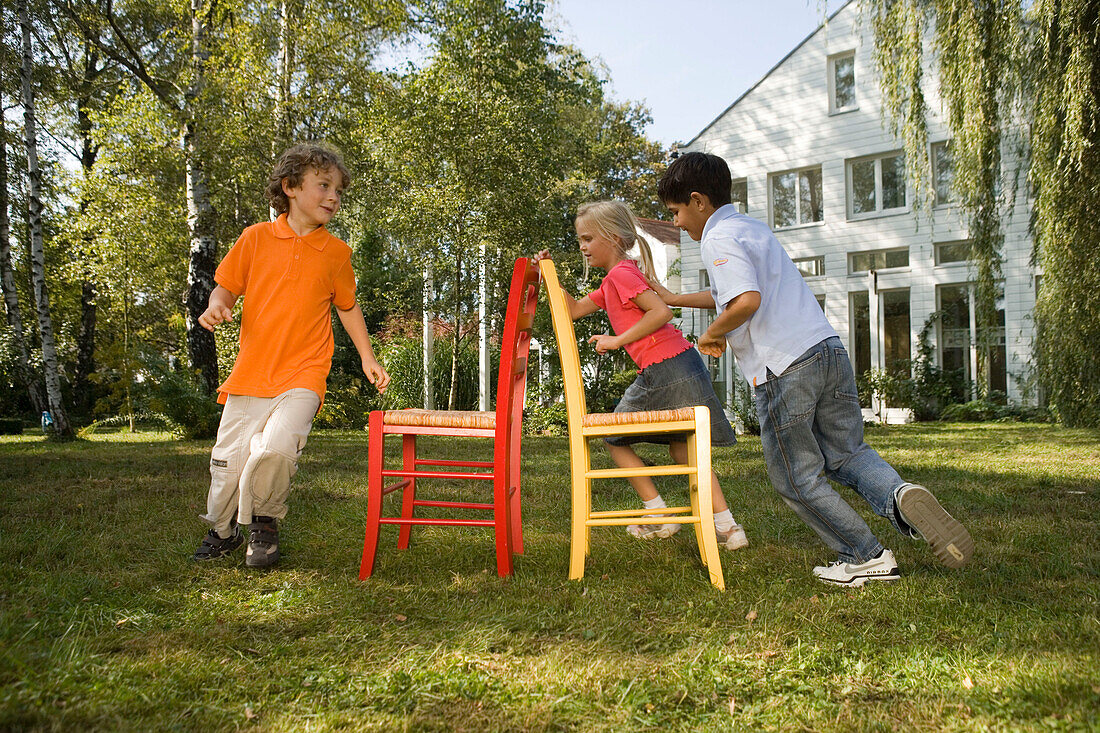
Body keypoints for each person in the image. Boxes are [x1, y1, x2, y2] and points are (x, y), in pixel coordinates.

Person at [652, 151, 974, 587]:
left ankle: (865, 555)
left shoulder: (715, 238)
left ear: (698, 200)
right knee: (847, 454)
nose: (676, 224)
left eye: (675, 213)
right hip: (825, 351)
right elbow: (729, 291)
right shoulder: (750, 227)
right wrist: (675, 298)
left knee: (794, 476)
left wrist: (714, 334)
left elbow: (745, 301)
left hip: (785, 366)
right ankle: (899, 497)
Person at [192, 143, 390, 568]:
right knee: (227, 465)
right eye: (324, 186)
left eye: (338, 190)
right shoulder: (255, 239)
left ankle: (263, 523)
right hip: (251, 375)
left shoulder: (337, 254)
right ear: (290, 187)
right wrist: (216, 304)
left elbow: (348, 307)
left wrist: (367, 357)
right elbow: (226, 284)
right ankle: (222, 531)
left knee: (278, 450)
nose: (334, 197)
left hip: (305, 373)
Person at [537, 200, 748, 551]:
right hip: (683, 364)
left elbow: (661, 312)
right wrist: (548, 273)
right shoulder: (614, 280)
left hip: (665, 369)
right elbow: (571, 310)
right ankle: (727, 527)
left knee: (612, 437)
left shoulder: (621, 274)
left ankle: (657, 513)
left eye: (588, 238)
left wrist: (619, 340)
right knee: (684, 451)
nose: (583, 247)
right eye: (580, 240)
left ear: (614, 237)